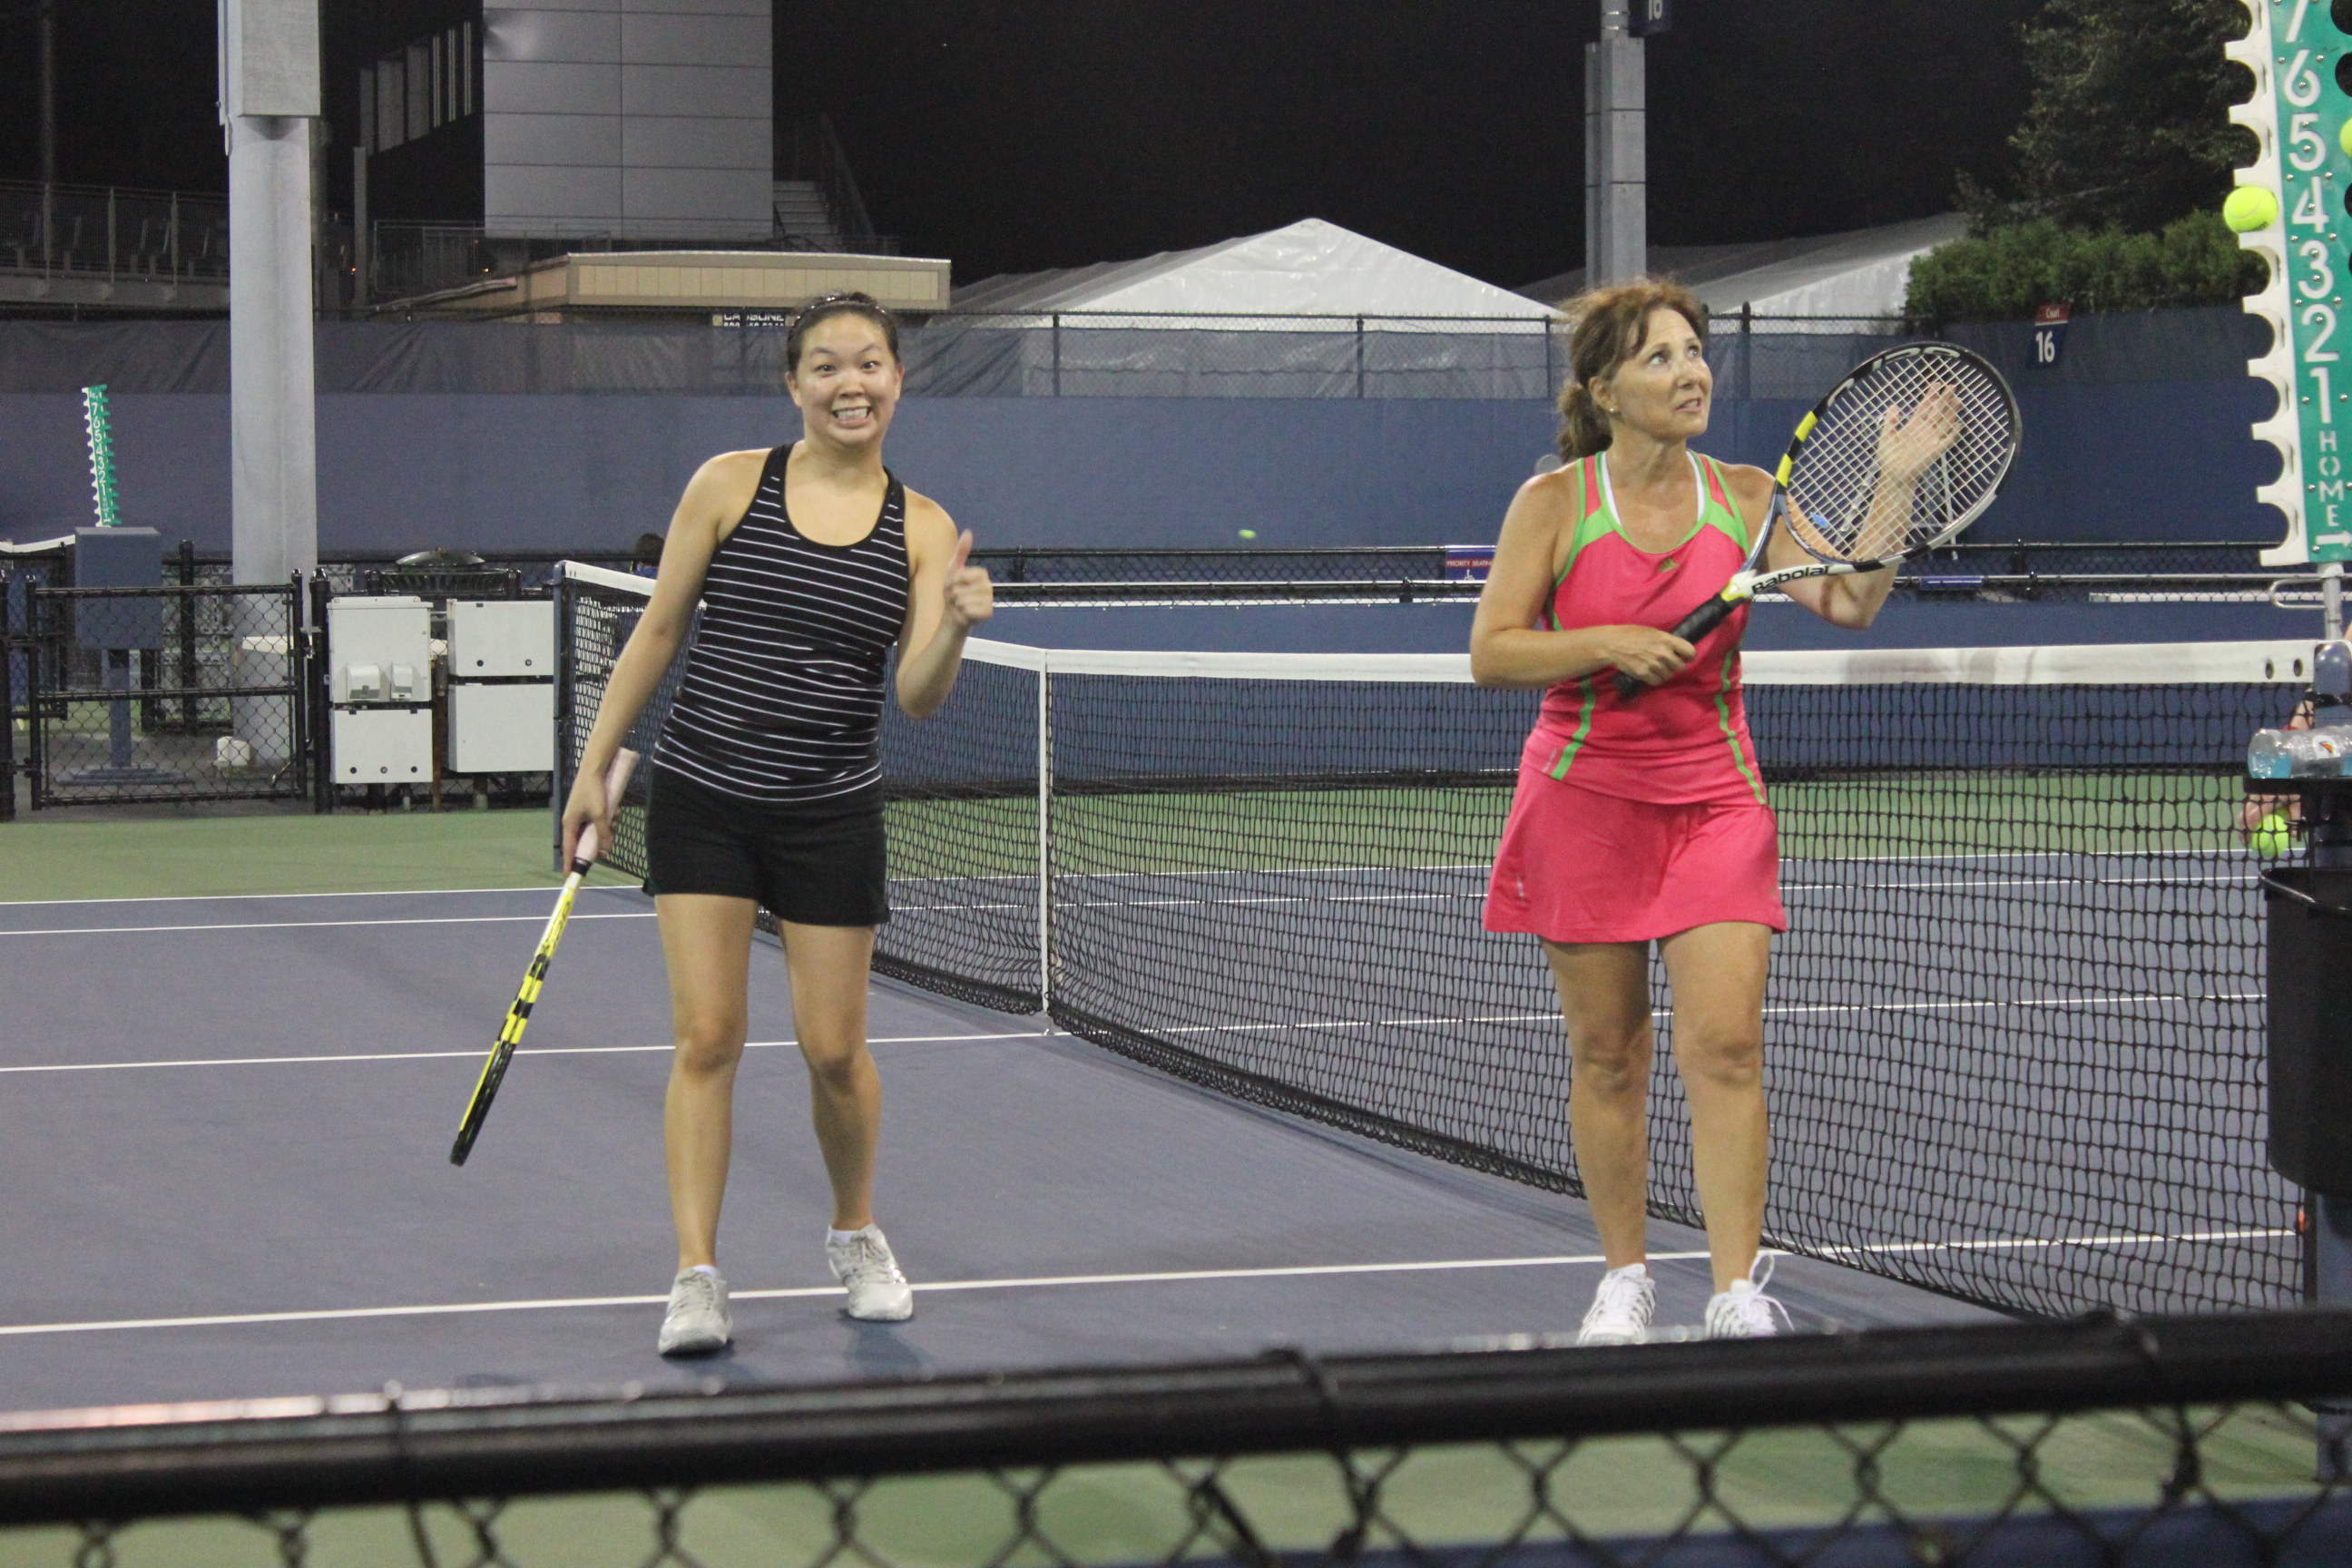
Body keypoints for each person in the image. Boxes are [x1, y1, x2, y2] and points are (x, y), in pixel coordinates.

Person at [1470, 279, 1955, 1344]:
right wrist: (1604, 643)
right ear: (1605, 389)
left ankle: (1736, 1289)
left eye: (1694, 352)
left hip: (1715, 803)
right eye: (1661, 357)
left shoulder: (1744, 497)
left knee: (1728, 1045)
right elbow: (1493, 653)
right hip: (1583, 801)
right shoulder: (1553, 503)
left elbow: (1849, 598)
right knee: (1609, 1052)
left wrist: (1894, 482)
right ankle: (1624, 1277)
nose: (1691, 372)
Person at [564, 291, 994, 1356]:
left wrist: (953, 629)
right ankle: (696, 1277)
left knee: (835, 1051)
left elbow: (918, 696)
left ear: (898, 380)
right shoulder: (729, 485)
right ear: (793, 383)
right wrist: (594, 767)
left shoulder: (922, 528)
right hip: (706, 798)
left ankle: (854, 1234)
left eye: (870, 364)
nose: (852, 383)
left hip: (829, 812)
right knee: (708, 1037)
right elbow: (659, 630)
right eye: (827, 366)